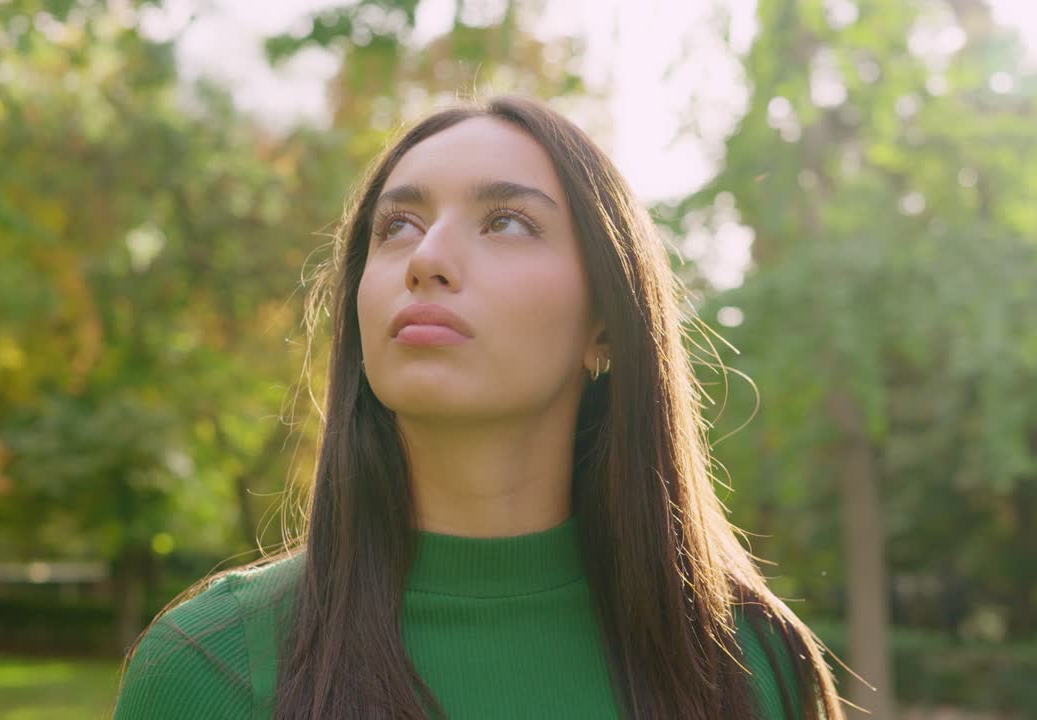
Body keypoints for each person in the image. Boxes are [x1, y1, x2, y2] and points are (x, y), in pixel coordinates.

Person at [112, 95, 847, 720]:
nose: (426, 256)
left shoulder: (749, 663)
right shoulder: (208, 670)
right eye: (396, 226)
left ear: (606, 324)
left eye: (507, 223)